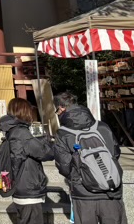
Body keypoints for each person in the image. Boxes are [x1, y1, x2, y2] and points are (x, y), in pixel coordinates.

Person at [53, 92, 128, 224]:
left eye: (57, 111)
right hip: (111, 191)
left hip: (83, 195)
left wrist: (79, 176)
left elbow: (64, 167)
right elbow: (115, 153)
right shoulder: (102, 126)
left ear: (62, 108)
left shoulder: (63, 134)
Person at [0, 98, 54, 224]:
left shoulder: (11, 131)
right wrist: (45, 138)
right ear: (24, 112)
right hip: (28, 189)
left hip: (20, 186)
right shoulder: (22, 133)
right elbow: (46, 153)